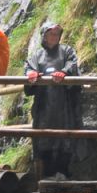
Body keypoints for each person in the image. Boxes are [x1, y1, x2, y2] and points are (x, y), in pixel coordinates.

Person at [24, 22, 82, 180]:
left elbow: (73, 64)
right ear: (44, 36)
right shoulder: (36, 56)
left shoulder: (66, 51)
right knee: (44, 137)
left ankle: (63, 171)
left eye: (57, 34)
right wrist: (31, 75)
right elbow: (29, 68)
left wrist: (64, 72)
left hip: (64, 102)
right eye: (51, 33)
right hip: (44, 103)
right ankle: (48, 173)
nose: (54, 36)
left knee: (66, 136)